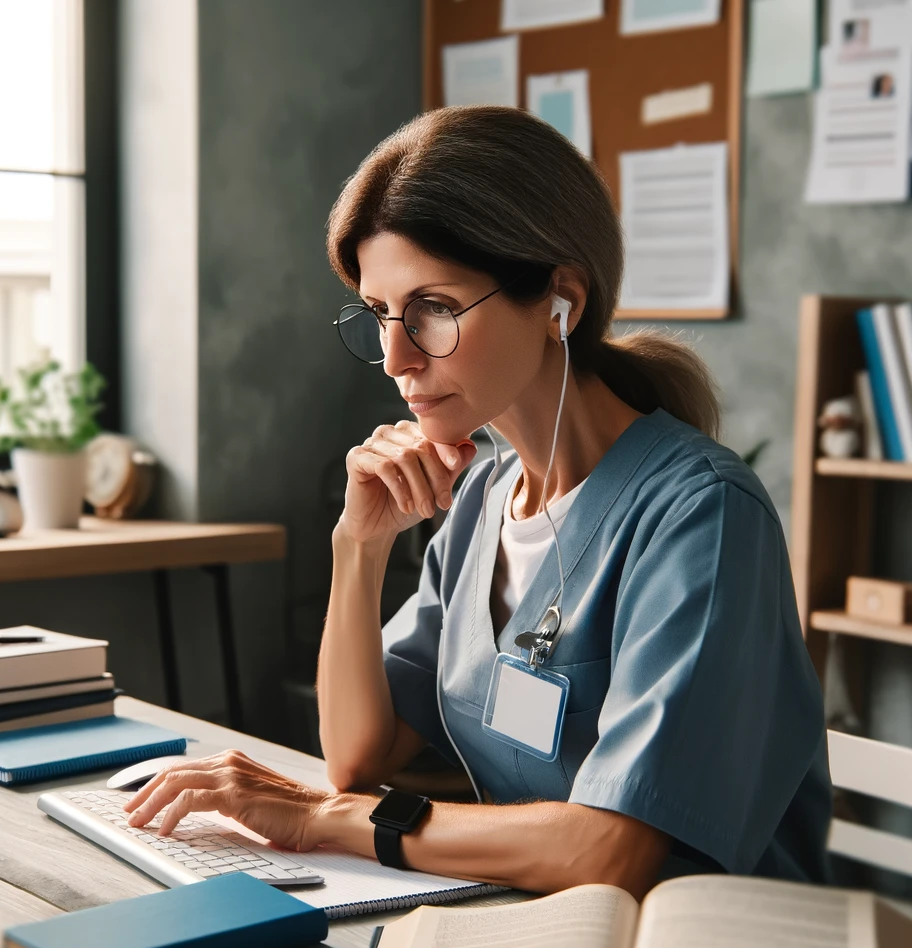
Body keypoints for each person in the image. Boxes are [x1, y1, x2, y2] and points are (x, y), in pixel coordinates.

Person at [126, 107, 831, 900]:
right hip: (535, 937)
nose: (395, 358)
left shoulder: (703, 515)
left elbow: (612, 851)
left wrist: (327, 820)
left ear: (560, 299)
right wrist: (357, 546)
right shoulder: (482, 501)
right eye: (380, 315)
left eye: (431, 310)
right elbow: (359, 755)